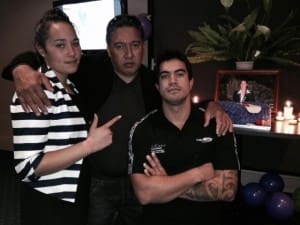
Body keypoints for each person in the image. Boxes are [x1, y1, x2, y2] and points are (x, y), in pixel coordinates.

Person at [2, 15, 233, 225]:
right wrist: (21, 69)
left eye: (135, 45)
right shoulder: (86, 71)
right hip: (95, 183)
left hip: (140, 181)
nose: (129, 54)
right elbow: (45, 58)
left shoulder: (152, 81)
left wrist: (211, 105)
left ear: (143, 47)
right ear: (109, 50)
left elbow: (178, 96)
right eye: (120, 47)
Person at [10, 8, 121, 225]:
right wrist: (89, 145)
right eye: (60, 45)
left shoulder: (69, 87)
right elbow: (28, 166)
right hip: (49, 203)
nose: (72, 52)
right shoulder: (36, 91)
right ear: (41, 50)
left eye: (75, 43)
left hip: (74, 195)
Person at [128, 50, 239, 225]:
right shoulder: (143, 129)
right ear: (157, 86)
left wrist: (164, 184)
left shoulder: (217, 124)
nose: (172, 81)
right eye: (165, 76)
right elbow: (144, 194)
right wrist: (197, 174)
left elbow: (227, 190)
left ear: (191, 82)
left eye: (179, 74)